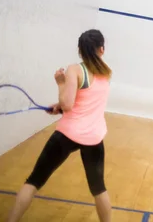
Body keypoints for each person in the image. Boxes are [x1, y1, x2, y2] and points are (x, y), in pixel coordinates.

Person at [7, 29, 113, 222]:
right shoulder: (106, 72)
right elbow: (84, 102)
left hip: (68, 135)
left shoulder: (74, 70)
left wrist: (60, 83)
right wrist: (60, 107)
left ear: (80, 51)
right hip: (94, 137)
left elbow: (68, 104)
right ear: (102, 50)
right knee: (99, 188)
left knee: (34, 181)